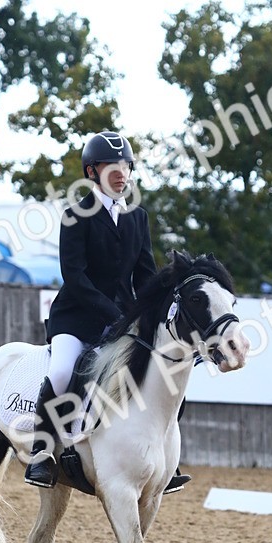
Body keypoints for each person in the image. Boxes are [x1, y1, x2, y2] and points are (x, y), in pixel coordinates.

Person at [24, 130, 190, 493]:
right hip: (78, 317)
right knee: (63, 369)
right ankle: (42, 450)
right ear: (91, 172)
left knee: (164, 370)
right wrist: (116, 314)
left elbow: (145, 275)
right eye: (111, 166)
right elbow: (76, 278)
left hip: (122, 322)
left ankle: (168, 460)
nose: (121, 172)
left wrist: (154, 308)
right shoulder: (75, 216)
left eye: (126, 165)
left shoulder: (137, 217)